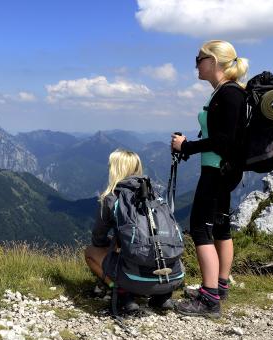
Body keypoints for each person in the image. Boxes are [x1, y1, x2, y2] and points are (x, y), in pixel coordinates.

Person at [171, 40, 248, 318]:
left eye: (199, 59)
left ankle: (209, 299)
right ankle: (220, 286)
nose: (196, 65)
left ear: (213, 61)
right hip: (225, 171)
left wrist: (186, 146)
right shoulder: (231, 92)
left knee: (201, 228)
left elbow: (223, 140)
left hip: (216, 171)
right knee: (220, 227)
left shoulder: (228, 94)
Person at [84, 149, 173, 312]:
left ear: (116, 169)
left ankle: (121, 292)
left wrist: (114, 244)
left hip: (135, 276)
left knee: (90, 252)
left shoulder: (111, 198)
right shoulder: (154, 194)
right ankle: (162, 296)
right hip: (170, 274)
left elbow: (98, 238)